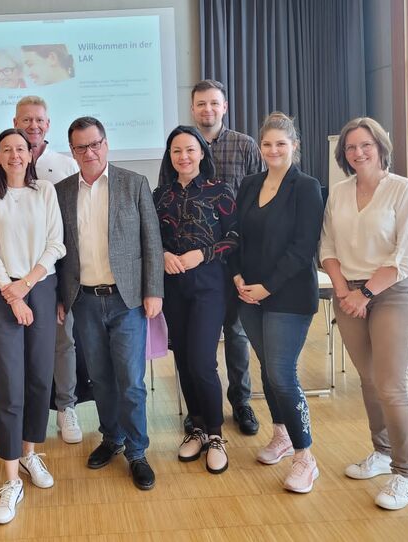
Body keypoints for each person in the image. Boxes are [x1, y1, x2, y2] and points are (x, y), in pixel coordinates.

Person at [320, 117, 408, 510]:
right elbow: (327, 245)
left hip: (394, 293)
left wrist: (364, 293)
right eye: (350, 148)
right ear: (343, 154)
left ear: (381, 147)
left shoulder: (404, 190)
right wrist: (346, 290)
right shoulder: (340, 192)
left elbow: (405, 257)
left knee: (390, 383)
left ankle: (405, 474)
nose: (358, 152)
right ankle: (381, 453)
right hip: (348, 293)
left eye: (365, 145)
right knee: (368, 379)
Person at [55, 116, 164, 490]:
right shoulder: (62, 191)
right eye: (81, 147)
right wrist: (61, 299)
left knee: (131, 381)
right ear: (72, 151)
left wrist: (154, 291)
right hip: (84, 300)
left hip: (127, 300)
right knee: (100, 377)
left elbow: (152, 242)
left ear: (106, 143)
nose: (90, 152)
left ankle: (137, 451)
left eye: (95, 143)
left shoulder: (133, 184)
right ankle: (111, 437)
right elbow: (58, 253)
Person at [0, 129, 66, 524]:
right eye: (7, 149)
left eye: (21, 149)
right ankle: (11, 479)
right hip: (0, 291)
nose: (14, 155)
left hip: (40, 287)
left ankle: (30, 453)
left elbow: (56, 243)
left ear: (31, 154)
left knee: (40, 378)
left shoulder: (45, 191)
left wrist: (26, 286)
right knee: (9, 381)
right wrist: (12, 295)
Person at [231, 112, 324, 493]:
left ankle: (305, 457)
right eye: (267, 144)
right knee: (268, 369)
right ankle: (281, 434)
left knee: (283, 374)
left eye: (280, 144)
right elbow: (235, 234)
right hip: (248, 293)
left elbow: (304, 247)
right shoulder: (250, 183)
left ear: (294, 147)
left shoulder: (306, 186)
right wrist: (237, 276)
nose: (273, 150)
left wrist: (267, 286)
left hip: (287, 294)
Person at [0, 96, 82, 444]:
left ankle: (59, 416)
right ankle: (11, 443)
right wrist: (13, 289)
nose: (34, 125)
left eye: (39, 120)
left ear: (47, 125)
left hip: (46, 280)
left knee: (55, 353)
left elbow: (65, 235)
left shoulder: (59, 171)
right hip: (5, 287)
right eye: (26, 120)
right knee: (11, 370)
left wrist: (38, 283)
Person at [171, 79, 264, 436]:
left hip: (236, 257)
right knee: (197, 342)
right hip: (196, 267)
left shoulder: (245, 145)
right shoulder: (185, 146)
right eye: (200, 104)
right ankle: (201, 409)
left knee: (236, 334)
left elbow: (259, 197)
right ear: (192, 109)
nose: (207, 110)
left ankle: (241, 403)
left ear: (224, 107)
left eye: (214, 103)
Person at [153, 126, 237, 474]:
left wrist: (201, 254)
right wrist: (162, 254)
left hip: (209, 284)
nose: (183, 157)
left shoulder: (220, 191)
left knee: (203, 360)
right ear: (169, 157)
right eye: (176, 151)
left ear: (202, 152)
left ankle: (216, 434)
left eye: (190, 150)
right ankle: (198, 428)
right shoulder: (160, 195)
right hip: (173, 286)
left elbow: (235, 236)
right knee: (184, 360)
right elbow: (149, 237)